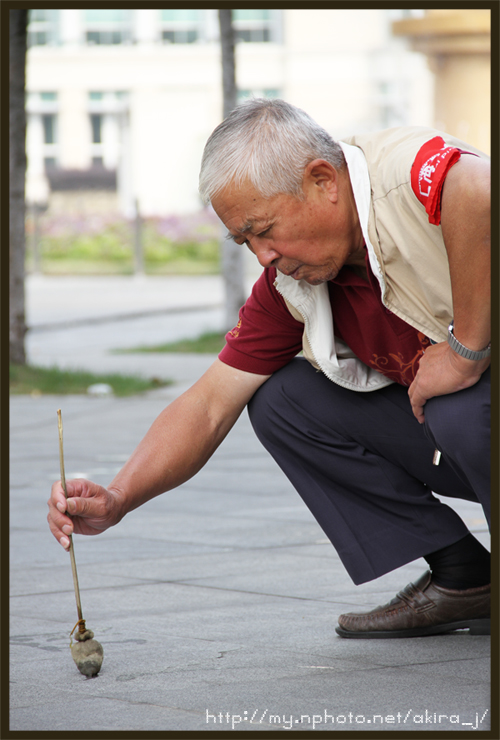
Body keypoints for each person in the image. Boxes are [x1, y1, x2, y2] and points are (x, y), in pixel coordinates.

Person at [48, 99, 491, 639]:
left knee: (461, 408)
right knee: (284, 402)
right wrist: (117, 498)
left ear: (322, 180)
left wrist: (465, 351)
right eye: (245, 240)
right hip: (464, 442)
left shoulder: (400, 176)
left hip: (474, 420)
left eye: (263, 229)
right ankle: (467, 580)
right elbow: (210, 404)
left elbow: (479, 187)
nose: (262, 255)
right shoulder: (291, 283)